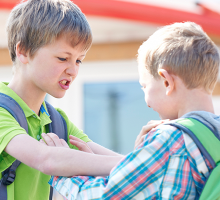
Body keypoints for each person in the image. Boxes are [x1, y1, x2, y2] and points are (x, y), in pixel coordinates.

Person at [49, 22, 220, 199]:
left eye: (145, 87)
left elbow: (102, 196)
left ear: (167, 82)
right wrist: (136, 158)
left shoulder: (171, 140)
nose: (146, 102)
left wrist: (63, 168)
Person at [0, 0, 148, 199]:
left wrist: (145, 161)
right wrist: (141, 165)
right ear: (23, 51)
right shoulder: (2, 112)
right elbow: (46, 160)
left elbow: (107, 159)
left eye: (79, 60)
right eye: (63, 58)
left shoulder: (56, 121)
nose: (73, 70)